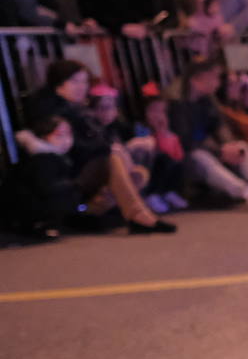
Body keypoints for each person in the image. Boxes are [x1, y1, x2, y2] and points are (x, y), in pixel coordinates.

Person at [25, 60, 176, 233]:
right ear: (58, 83)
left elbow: (101, 138)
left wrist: (115, 146)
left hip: (89, 164)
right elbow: (70, 148)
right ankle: (138, 215)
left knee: (138, 174)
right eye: (75, 81)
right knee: (112, 158)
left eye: (84, 81)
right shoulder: (54, 111)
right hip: (69, 168)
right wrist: (108, 148)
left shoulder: (79, 108)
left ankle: (87, 212)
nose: (81, 86)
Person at [167, 58, 248, 211]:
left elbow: (219, 125)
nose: (218, 82)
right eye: (215, 77)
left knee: (240, 146)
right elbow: (185, 143)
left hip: (208, 149)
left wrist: (229, 145)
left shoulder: (207, 97)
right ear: (199, 78)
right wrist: (219, 152)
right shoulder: (177, 101)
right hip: (185, 157)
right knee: (199, 157)